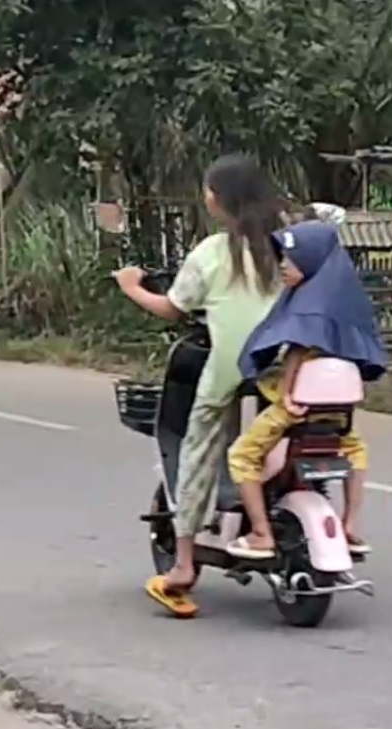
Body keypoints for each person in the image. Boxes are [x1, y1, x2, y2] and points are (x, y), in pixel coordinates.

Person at [114, 154, 284, 613]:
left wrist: (131, 286)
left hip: (231, 364)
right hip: (285, 365)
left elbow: (174, 308)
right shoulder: (285, 245)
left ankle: (184, 565)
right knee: (277, 433)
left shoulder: (212, 252)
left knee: (199, 448)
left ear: (218, 199)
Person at [226, 220, 388, 559]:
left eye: (290, 258)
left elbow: (297, 353)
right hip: (337, 415)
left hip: (296, 409)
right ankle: (351, 524)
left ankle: (259, 532)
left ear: (313, 261)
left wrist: (286, 395)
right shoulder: (343, 304)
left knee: (241, 457)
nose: (283, 265)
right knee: (356, 454)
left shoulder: (307, 307)